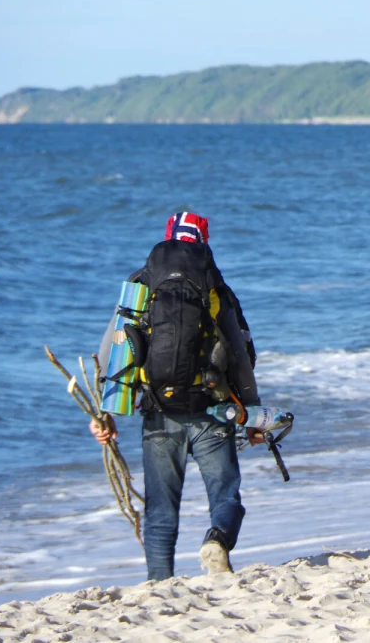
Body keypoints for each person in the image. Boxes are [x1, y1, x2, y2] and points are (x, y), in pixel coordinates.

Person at [89, 212, 264, 580]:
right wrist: (252, 414)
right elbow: (240, 355)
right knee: (226, 497)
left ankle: (158, 584)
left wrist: (105, 414)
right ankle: (216, 541)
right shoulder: (215, 287)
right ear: (204, 241)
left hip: (159, 412)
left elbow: (111, 352)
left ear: (168, 236)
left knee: (160, 512)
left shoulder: (140, 284)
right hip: (212, 410)